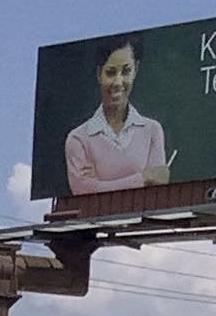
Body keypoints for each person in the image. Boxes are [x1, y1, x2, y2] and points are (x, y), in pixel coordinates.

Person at [64, 35, 171, 196]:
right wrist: (142, 178)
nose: (118, 82)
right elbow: (82, 190)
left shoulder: (152, 131)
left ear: (136, 70)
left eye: (126, 71)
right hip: (96, 221)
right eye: (111, 73)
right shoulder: (79, 139)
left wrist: (101, 185)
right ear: (99, 74)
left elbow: (157, 188)